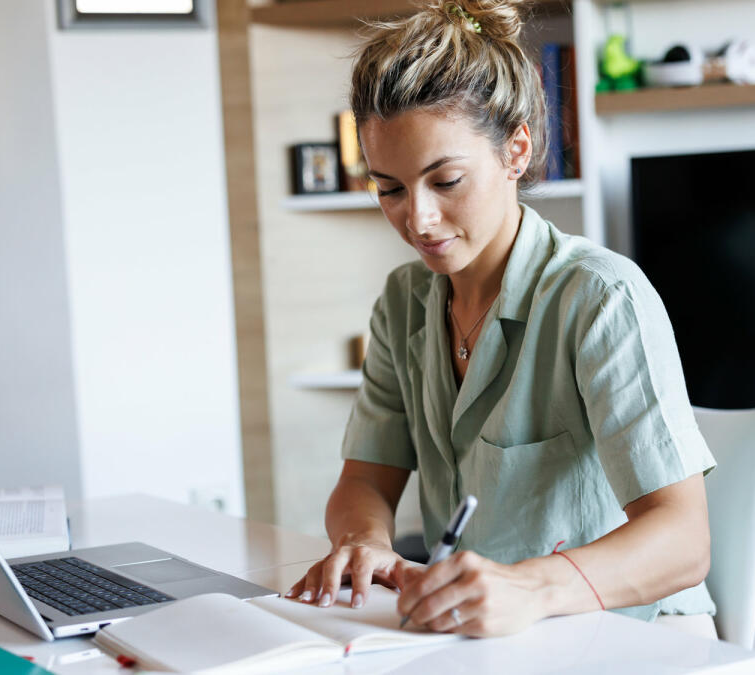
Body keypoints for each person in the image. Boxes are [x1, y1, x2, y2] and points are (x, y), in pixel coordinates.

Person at [285, 0, 718, 639]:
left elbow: (684, 541)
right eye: (391, 189)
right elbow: (364, 480)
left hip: (631, 635)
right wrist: (364, 539)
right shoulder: (404, 302)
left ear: (516, 150)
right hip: (484, 638)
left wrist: (531, 587)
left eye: (447, 180)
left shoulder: (600, 298)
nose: (419, 220)